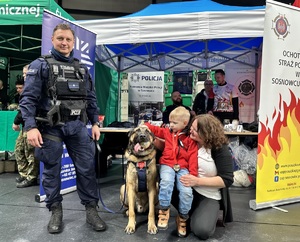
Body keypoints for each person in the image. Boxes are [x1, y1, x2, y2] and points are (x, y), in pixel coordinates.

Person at [19, 23, 106, 234]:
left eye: (68, 39)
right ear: (52, 40)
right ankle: (55, 210)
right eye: (60, 39)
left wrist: (95, 122)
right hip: (50, 128)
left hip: (77, 127)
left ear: (73, 42)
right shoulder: (40, 66)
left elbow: (90, 98)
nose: (64, 43)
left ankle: (91, 210)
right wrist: (30, 127)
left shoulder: (82, 68)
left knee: (87, 168)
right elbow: (27, 99)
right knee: (51, 171)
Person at [175, 114, 234, 240]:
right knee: (162, 176)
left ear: (206, 132)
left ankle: (195, 214)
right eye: (191, 127)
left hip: (208, 194)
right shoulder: (188, 141)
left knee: (202, 231)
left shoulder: (219, 148)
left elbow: (227, 179)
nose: (191, 130)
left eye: (195, 130)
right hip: (187, 189)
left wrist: (197, 181)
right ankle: (186, 214)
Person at [145, 106, 198, 237]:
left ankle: (182, 217)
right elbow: (156, 130)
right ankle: (163, 210)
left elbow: (192, 156)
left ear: (185, 123)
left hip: (183, 167)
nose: (171, 125)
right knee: (166, 182)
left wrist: (193, 174)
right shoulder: (167, 132)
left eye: (174, 123)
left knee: (186, 191)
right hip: (168, 164)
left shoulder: (189, 138)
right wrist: (146, 124)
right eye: (170, 122)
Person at [12, 76, 39, 188]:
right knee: (19, 150)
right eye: (17, 88)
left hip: (31, 127)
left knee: (30, 153)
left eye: (20, 88)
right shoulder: (21, 96)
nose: (18, 90)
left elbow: (25, 111)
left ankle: (31, 177)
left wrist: (16, 121)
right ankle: (24, 173)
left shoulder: (32, 93)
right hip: (24, 127)